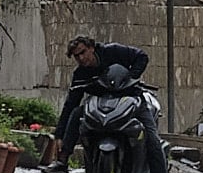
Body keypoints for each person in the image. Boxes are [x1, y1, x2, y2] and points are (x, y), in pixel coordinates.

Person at [51, 34, 150, 162]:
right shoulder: (80, 74)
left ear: (91, 48)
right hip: (101, 108)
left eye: (83, 52)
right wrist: (59, 135)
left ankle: (160, 172)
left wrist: (130, 78)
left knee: (151, 135)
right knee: (76, 114)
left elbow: (141, 56)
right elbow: (71, 103)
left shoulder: (113, 51)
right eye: (76, 56)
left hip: (130, 99)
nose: (81, 58)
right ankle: (62, 160)